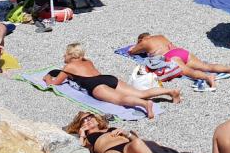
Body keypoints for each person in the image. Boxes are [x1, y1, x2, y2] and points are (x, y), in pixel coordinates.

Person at [44, 42, 181, 119]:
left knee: (121, 99)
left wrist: (47, 77)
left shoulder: (69, 67)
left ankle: (145, 105)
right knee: (139, 92)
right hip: (108, 78)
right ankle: (170, 91)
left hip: (95, 85)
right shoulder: (88, 61)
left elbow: (54, 83)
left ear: (69, 54)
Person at [130, 33, 230, 90]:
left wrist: (138, 45)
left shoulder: (144, 42)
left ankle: (207, 78)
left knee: (188, 72)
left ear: (142, 39)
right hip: (180, 51)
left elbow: (132, 51)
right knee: (206, 66)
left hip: (170, 56)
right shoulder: (160, 36)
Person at [65, 111, 164, 153]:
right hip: (109, 152)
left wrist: (126, 133)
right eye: (84, 120)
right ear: (80, 126)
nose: (88, 120)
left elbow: (137, 140)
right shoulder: (87, 138)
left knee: (137, 142)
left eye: (90, 117)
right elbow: (80, 152)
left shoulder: (111, 128)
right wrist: (82, 135)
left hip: (127, 148)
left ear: (96, 119)